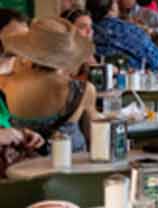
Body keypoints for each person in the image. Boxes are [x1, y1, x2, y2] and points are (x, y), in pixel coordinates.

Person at [0, 18, 97, 153]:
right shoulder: (84, 90)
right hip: (71, 166)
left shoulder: (4, 84)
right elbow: (96, 135)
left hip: (22, 167)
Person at [86, 0, 158, 71]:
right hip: (134, 78)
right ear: (112, 8)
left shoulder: (86, 32)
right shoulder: (131, 29)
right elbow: (156, 60)